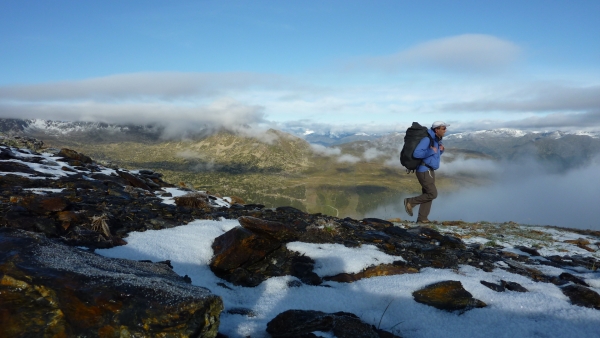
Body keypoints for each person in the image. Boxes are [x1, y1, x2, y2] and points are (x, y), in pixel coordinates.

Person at [404, 121, 448, 223]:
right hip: (424, 170)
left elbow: (433, 156)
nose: (445, 130)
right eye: (443, 128)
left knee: (428, 194)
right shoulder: (427, 139)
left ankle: (422, 218)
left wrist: (440, 151)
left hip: (429, 170)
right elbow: (417, 154)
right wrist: (432, 151)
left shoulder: (435, 140)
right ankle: (410, 202)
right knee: (432, 194)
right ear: (437, 130)